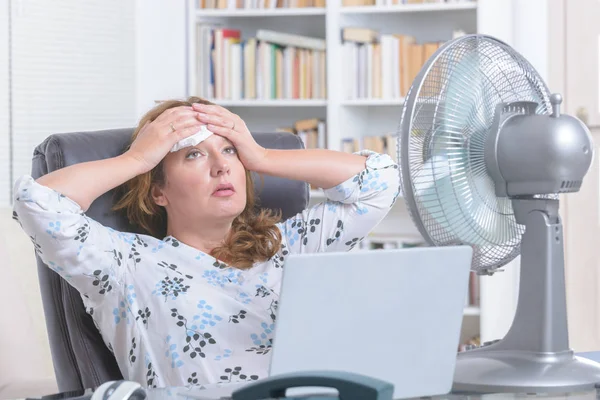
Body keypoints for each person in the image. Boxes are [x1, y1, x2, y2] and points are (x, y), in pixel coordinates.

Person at [12, 97, 400, 389]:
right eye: (194, 154)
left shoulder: (289, 246)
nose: (222, 165)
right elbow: (38, 204)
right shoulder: (125, 264)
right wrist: (137, 158)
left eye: (228, 150)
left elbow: (380, 183)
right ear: (158, 191)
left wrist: (260, 155)